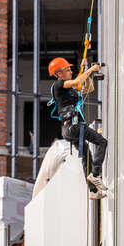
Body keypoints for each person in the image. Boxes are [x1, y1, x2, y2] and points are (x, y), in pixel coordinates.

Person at [48, 57, 108, 200]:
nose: (70, 71)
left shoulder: (69, 90)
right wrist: (92, 70)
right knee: (102, 142)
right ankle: (95, 174)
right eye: (67, 70)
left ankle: (93, 191)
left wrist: (87, 71)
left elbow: (89, 88)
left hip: (70, 129)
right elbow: (77, 82)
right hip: (73, 126)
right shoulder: (58, 85)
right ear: (59, 73)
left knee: (86, 155)